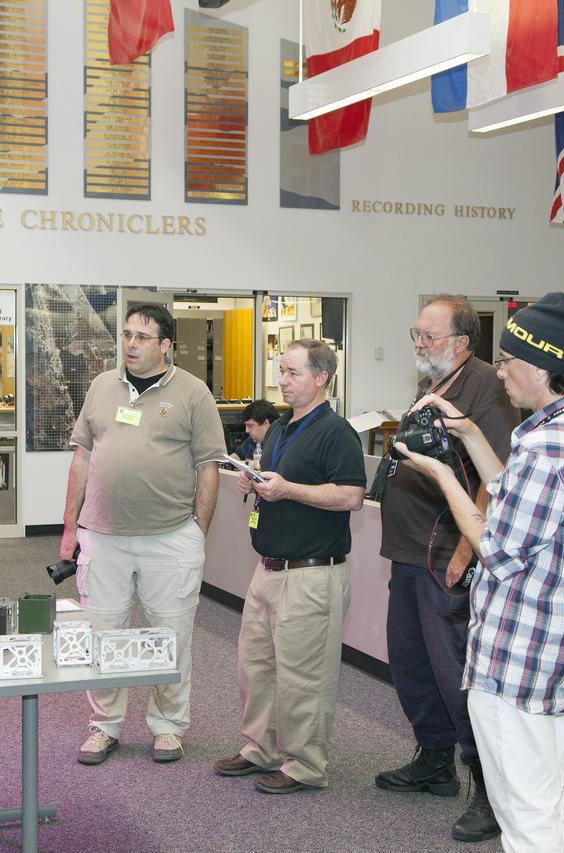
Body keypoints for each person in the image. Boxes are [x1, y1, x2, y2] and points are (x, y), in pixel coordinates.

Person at [396, 292, 564, 852]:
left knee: (526, 819)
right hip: (560, 653)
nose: (498, 372)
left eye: (507, 361)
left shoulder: (548, 447)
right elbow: (517, 496)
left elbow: (496, 548)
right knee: (546, 805)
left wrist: (442, 475)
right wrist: (469, 432)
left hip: (521, 658)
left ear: (541, 366)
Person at [375, 296, 518, 842]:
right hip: (409, 550)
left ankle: (487, 788)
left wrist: (465, 550)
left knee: (457, 672)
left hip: (447, 554)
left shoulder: (485, 387)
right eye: (416, 333)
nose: (419, 343)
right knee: (411, 663)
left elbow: (495, 473)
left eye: (428, 336)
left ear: (461, 342)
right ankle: (434, 760)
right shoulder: (433, 383)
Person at [59, 303, 225, 765]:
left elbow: (208, 467)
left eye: (142, 337)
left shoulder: (193, 393)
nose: (130, 344)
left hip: (170, 537)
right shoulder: (101, 386)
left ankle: (168, 727)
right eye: (127, 335)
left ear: (166, 345)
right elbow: (81, 459)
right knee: (102, 633)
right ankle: (104, 726)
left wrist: (198, 533)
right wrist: (70, 527)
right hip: (103, 536)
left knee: (170, 637)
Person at [214, 340, 365, 794]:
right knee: (256, 668)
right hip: (268, 569)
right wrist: (255, 481)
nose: (282, 380)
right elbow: (276, 481)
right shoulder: (281, 427)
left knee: (304, 678)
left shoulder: (336, 432)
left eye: (293, 372)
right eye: (281, 371)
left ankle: (304, 765)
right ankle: (259, 748)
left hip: (311, 572)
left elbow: (351, 496)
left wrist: (288, 489)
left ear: (321, 378)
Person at [229, 399, 279, 465]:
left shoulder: (280, 443)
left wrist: (248, 463)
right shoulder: (253, 440)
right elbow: (236, 455)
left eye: (250, 426)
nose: (246, 430)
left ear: (265, 423)